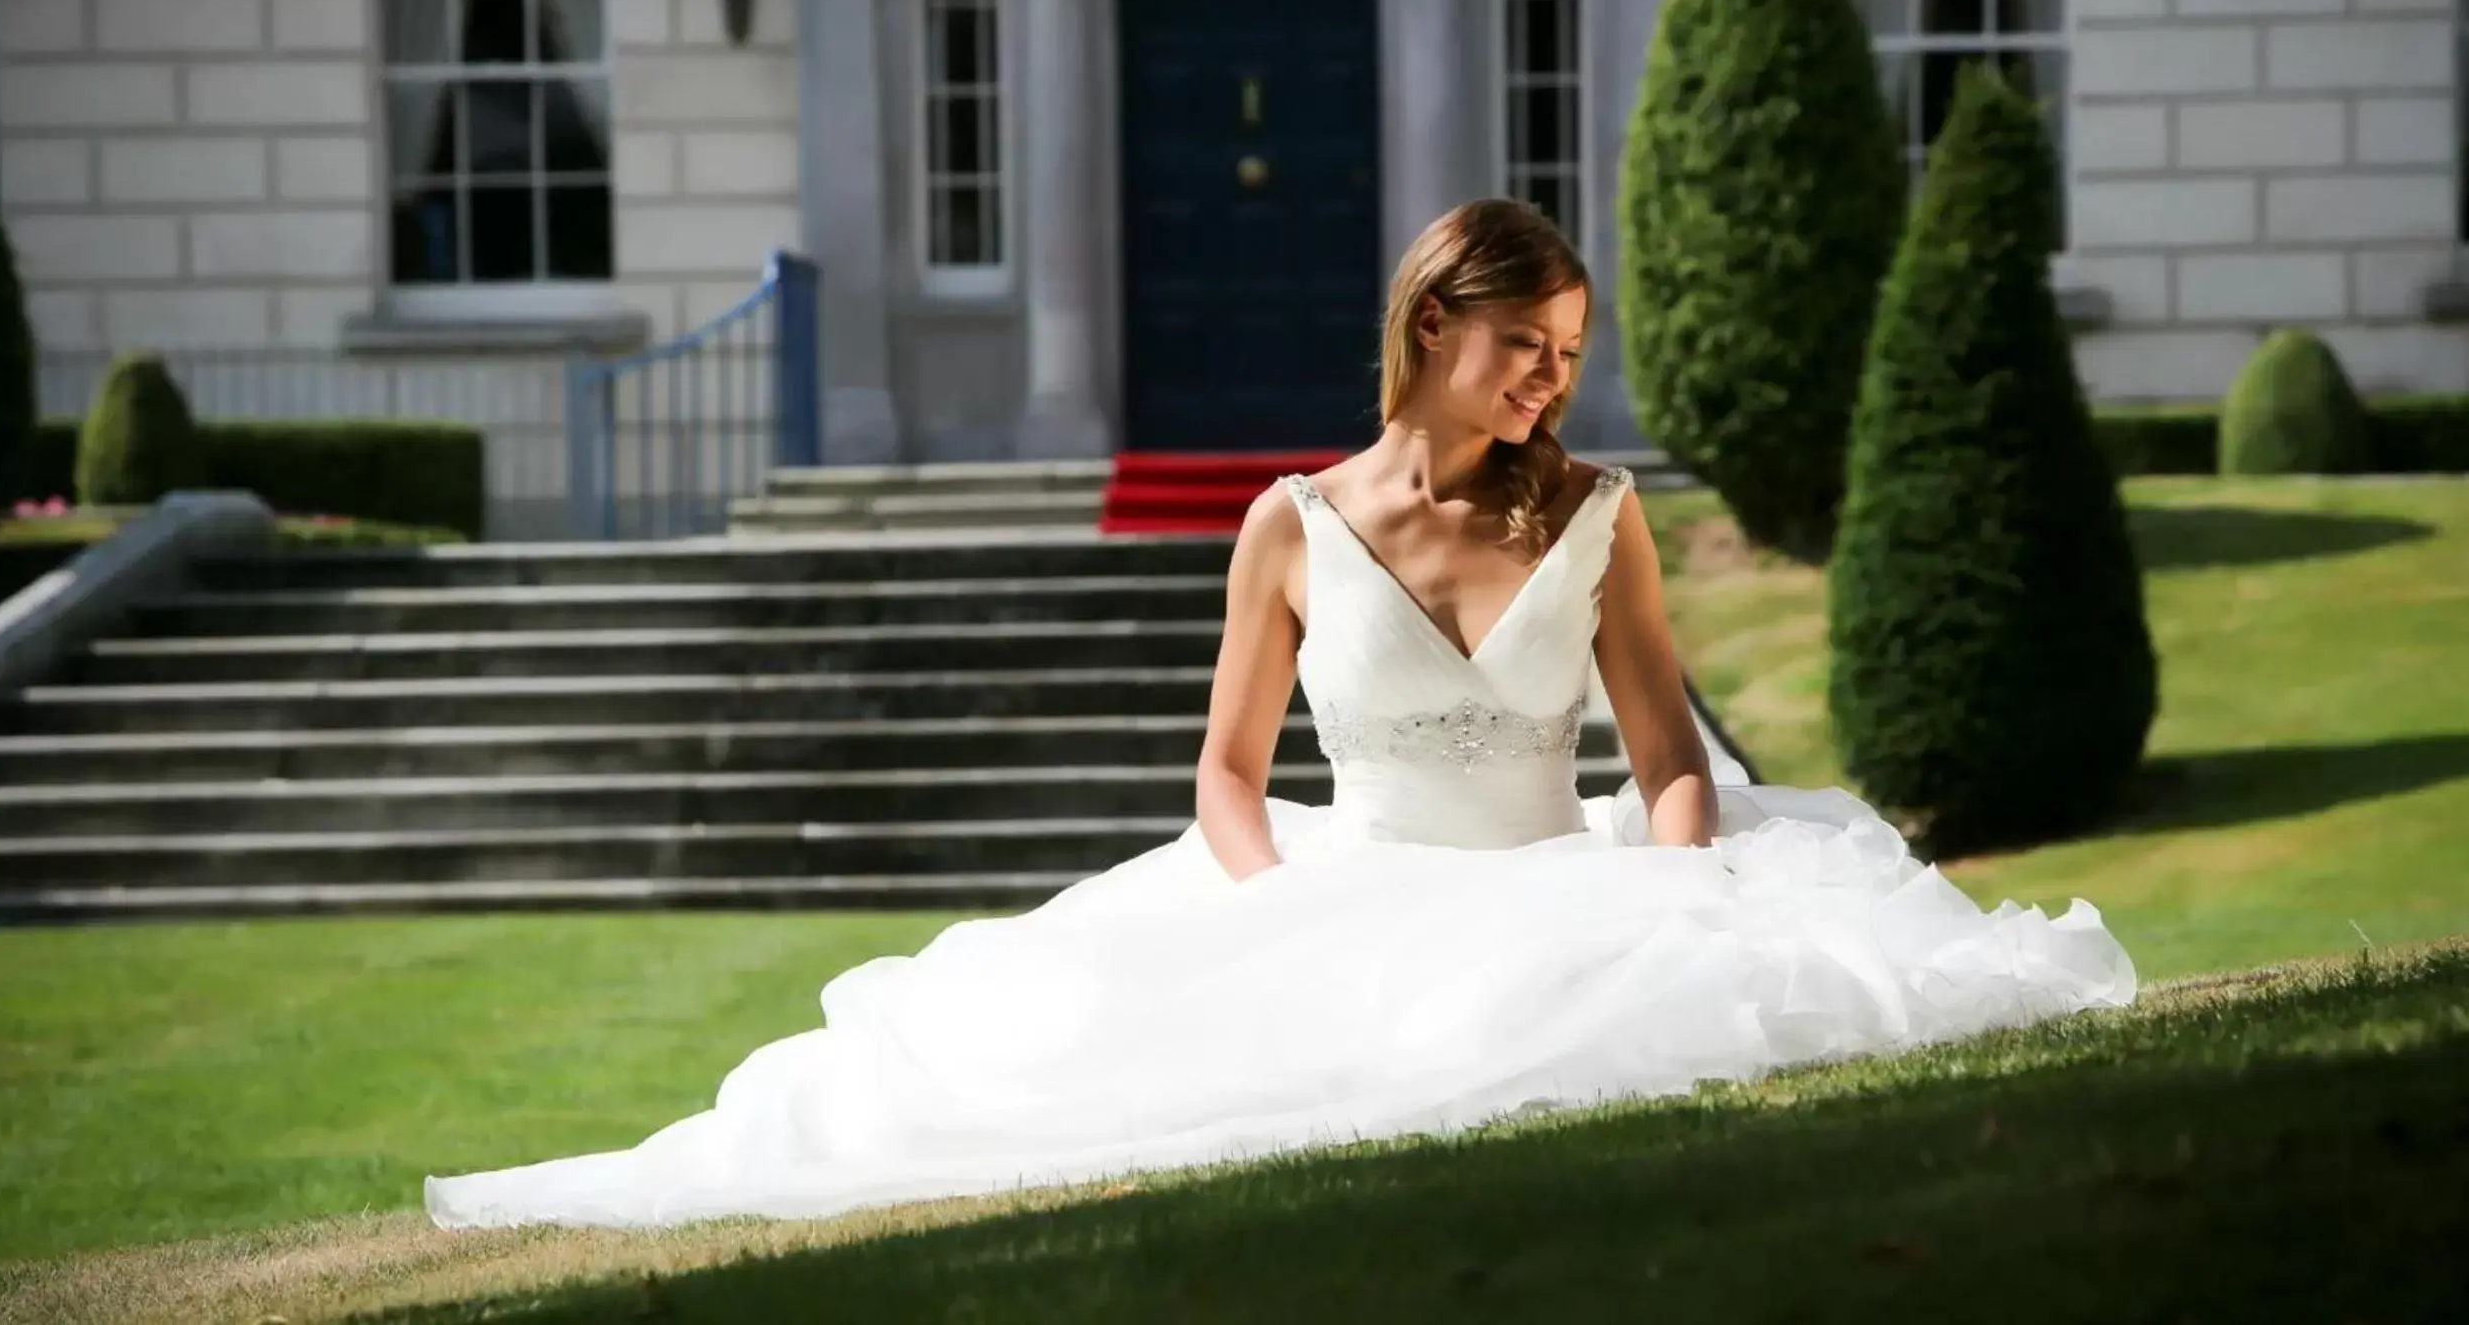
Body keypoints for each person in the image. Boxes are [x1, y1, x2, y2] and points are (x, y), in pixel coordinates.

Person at [425, 199, 2134, 1231]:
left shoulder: (1594, 516)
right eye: (1523, 342)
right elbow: (1228, 777)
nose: (1550, 376)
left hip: (1567, 874)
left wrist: (1677, 879)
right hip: (1346, 879)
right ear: (1430, 325)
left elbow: (1668, 752)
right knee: (1032, 1086)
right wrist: (1287, 911)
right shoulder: (1289, 522)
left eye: (1566, 348)